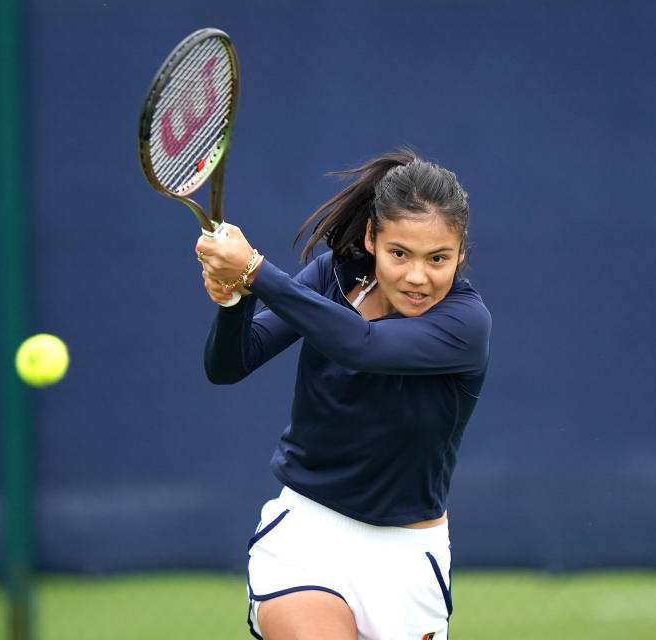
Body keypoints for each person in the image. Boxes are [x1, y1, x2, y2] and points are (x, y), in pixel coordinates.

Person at [194, 149, 491, 640]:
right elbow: (230, 364)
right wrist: (233, 300)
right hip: (308, 536)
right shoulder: (335, 276)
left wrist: (254, 271)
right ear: (372, 238)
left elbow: (363, 346)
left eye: (437, 258)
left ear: (461, 255)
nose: (418, 276)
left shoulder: (465, 324)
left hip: (407, 560)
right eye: (400, 253)